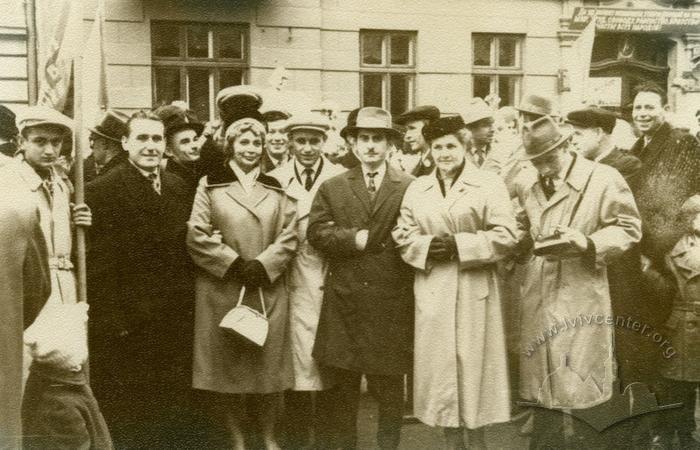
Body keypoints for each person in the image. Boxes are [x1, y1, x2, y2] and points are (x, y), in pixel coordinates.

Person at [514, 116, 641, 447]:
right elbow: (523, 226)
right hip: (539, 293)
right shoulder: (528, 184)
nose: (543, 168)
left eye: (548, 159)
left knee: (585, 391)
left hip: (581, 291)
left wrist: (588, 243)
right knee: (545, 393)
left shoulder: (603, 179)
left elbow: (629, 228)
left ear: (566, 146)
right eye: (536, 161)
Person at [393, 115, 518, 449]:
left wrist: (462, 245)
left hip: (474, 288)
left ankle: (476, 443)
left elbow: (507, 235)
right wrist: (425, 246)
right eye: (437, 147)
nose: (444, 153)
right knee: (442, 378)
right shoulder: (417, 187)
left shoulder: (489, 183)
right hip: (434, 287)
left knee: (474, 374)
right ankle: (451, 443)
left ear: (465, 146)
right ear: (429, 151)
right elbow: (402, 232)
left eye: (451, 146)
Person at [86, 110, 197, 448]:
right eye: (143, 138)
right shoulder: (101, 191)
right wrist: (113, 321)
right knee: (133, 416)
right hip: (129, 325)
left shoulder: (179, 186)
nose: (151, 146)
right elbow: (99, 267)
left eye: (157, 139)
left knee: (171, 412)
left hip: (174, 319)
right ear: (125, 142)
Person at [187, 117, 298, 450]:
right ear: (230, 146)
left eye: (256, 143)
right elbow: (196, 233)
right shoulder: (210, 185)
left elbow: (291, 234)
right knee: (228, 370)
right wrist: (233, 264)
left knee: (268, 370)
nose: (250, 149)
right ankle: (236, 438)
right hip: (224, 288)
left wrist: (264, 265)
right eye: (244, 142)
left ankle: (268, 436)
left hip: (267, 287)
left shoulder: (277, 188)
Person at [308, 106, 414, 450]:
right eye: (363, 139)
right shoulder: (333, 186)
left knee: (389, 392)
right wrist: (354, 238)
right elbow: (317, 233)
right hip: (346, 301)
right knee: (343, 392)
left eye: (378, 139)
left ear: (390, 145)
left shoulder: (409, 186)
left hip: (391, 301)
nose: (370, 146)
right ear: (352, 143)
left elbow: (417, 232)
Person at [5, 105, 111, 449]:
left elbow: (66, 239)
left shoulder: (63, 181)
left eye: (56, 142)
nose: (50, 150)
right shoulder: (10, 181)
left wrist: (82, 222)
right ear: (22, 141)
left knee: (65, 366)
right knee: (27, 364)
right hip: (28, 284)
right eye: (40, 141)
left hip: (64, 282)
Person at [267, 112, 346, 449]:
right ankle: (297, 440)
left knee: (330, 363)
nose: (308, 148)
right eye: (301, 141)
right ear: (290, 142)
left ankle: (329, 440)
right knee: (297, 368)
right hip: (292, 278)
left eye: (314, 141)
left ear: (324, 142)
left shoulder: (341, 177)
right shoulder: (275, 178)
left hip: (332, 275)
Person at [629, 82, 700, 447]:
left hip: (669, 257)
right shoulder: (637, 146)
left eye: (649, 108)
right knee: (658, 345)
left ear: (664, 108)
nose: (642, 114)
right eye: (638, 108)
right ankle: (661, 424)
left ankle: (679, 428)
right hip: (645, 252)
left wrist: (652, 254)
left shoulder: (680, 143)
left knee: (678, 347)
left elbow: (677, 204)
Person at [658, 195, 700, 448]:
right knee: (678, 385)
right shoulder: (675, 252)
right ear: (692, 219)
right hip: (683, 325)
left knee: (692, 383)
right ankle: (675, 433)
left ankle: (687, 432)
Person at [155, 103, 205, 195]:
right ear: (169, 151)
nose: (194, 145)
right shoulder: (169, 183)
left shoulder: (199, 171)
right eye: (185, 142)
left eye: (195, 139)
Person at [77, 109, 129, 184]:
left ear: (105, 144)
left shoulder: (107, 179)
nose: (91, 147)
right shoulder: (130, 171)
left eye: (92, 140)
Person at [391, 105, 440, 175]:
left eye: (412, 128)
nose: (406, 137)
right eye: (406, 130)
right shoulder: (423, 161)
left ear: (429, 129)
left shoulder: (439, 162)